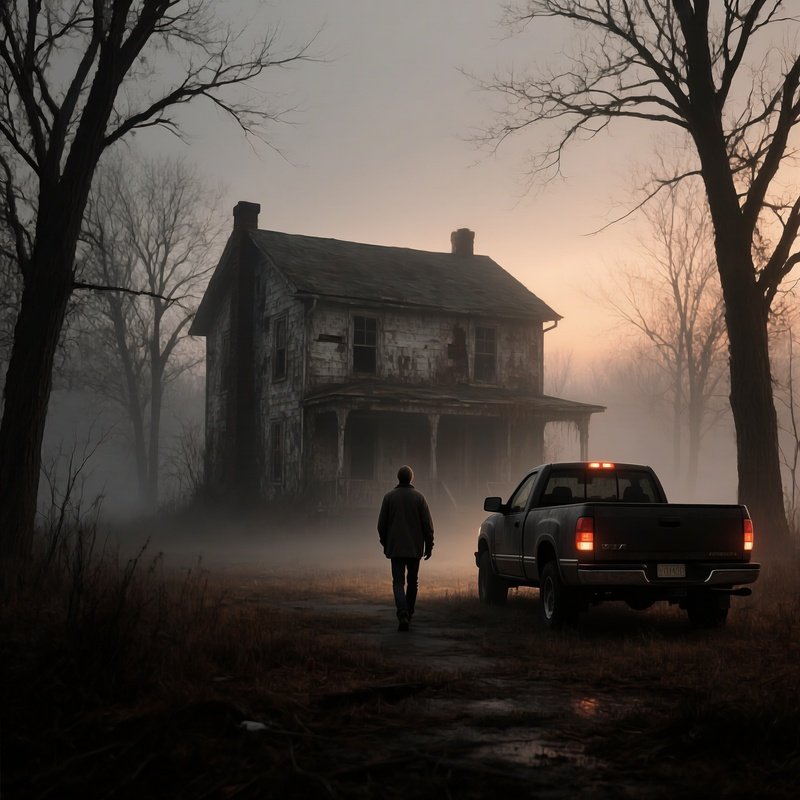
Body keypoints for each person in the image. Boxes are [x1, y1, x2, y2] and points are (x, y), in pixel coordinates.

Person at [377, 465, 434, 631]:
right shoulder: (419, 498)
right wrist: (429, 545)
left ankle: (402, 613)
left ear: (398, 477)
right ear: (411, 478)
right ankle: (408, 613)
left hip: (395, 547)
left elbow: (381, 525)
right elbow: (427, 525)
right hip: (415, 548)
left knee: (398, 583)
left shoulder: (389, 498)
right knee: (412, 582)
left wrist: (385, 542)